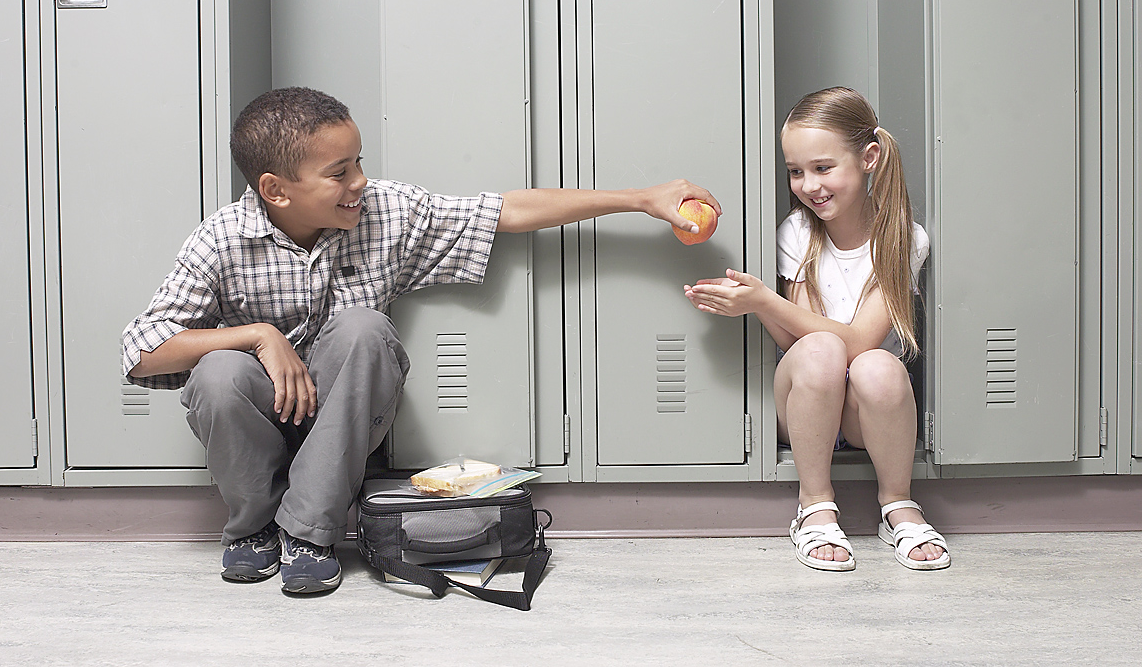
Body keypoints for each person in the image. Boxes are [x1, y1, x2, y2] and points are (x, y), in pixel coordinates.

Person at [122, 86, 719, 595]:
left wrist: (641, 200)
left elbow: (505, 211)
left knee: (363, 326)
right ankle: (253, 526)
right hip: (262, 411)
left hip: (345, 415)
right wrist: (258, 336)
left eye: (358, 162)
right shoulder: (222, 238)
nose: (359, 181)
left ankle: (308, 533)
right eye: (339, 173)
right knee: (219, 369)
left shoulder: (388, 212)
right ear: (277, 190)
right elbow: (142, 351)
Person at [683, 87, 949, 572]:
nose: (809, 185)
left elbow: (862, 341)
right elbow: (797, 342)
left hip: (865, 415)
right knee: (822, 348)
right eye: (796, 171)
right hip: (806, 404)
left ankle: (898, 504)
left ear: (869, 158)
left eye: (823, 168)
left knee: (877, 364)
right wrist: (762, 307)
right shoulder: (798, 233)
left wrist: (764, 298)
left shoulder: (903, 238)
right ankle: (816, 504)